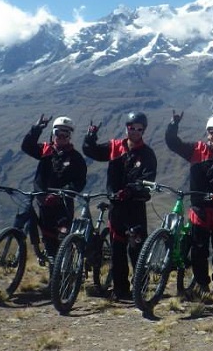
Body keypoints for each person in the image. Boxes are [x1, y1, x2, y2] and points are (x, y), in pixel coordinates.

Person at [83, 112, 157, 300]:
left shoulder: (147, 154)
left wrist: (131, 190)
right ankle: (120, 289)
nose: (135, 132)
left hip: (135, 206)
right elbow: (92, 151)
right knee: (117, 250)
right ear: (127, 128)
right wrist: (90, 136)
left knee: (136, 248)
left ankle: (141, 286)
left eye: (139, 129)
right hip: (117, 207)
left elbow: (147, 178)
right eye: (132, 128)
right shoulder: (115, 147)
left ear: (143, 131)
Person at [166, 111, 213, 296]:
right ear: (207, 133)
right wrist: (173, 125)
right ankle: (202, 284)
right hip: (199, 209)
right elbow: (174, 144)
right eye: (212, 133)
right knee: (198, 250)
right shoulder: (196, 150)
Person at [21, 115, 87, 262]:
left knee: (63, 241)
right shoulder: (46, 150)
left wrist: (62, 193)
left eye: (66, 134)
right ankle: (54, 280)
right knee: (49, 241)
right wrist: (36, 129)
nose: (61, 137)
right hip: (43, 202)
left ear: (70, 136)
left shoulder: (76, 158)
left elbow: (80, 182)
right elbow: (27, 146)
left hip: (63, 205)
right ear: (53, 133)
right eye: (58, 133)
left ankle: (67, 277)